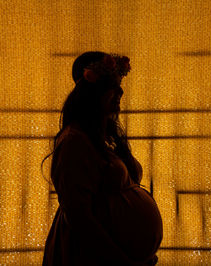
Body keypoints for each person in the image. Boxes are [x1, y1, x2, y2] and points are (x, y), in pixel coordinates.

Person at [41, 51, 163, 266]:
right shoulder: (74, 141)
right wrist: (122, 261)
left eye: (119, 85)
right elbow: (79, 217)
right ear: (91, 93)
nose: (120, 92)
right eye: (111, 86)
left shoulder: (104, 138)